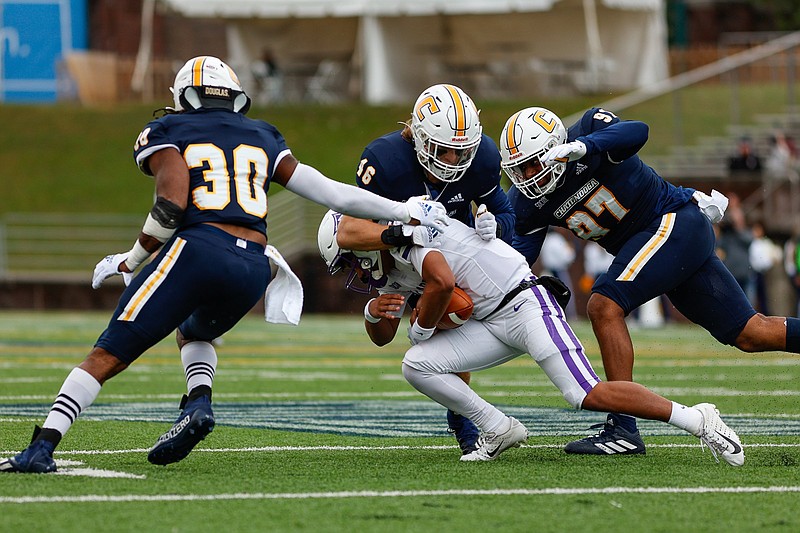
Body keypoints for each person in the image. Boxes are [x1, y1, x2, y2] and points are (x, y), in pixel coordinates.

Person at [0, 55, 449, 474]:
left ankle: (43, 446)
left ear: (185, 97)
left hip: (200, 248)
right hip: (254, 265)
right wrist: (403, 211)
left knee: (106, 354)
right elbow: (332, 192)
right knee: (195, 331)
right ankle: (197, 404)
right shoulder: (264, 135)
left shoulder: (169, 129)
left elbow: (170, 204)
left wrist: (130, 260)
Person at [320, 210, 744, 466]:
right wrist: (372, 313)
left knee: (584, 393)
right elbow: (382, 336)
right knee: (416, 364)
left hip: (525, 304)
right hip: (489, 320)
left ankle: (697, 418)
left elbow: (442, 281)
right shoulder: (385, 263)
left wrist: (421, 327)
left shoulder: (408, 230)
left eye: (348, 262)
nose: (354, 273)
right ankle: (498, 428)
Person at [500, 106, 800, 456]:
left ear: (556, 147)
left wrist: (587, 146)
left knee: (603, 305)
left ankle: (623, 426)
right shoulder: (527, 200)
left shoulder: (587, 133)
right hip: (665, 245)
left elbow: (637, 130)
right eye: (520, 168)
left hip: (672, 223)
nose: (529, 175)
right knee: (751, 333)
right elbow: (517, 256)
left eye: (535, 163)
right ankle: (623, 426)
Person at [346, 83, 516, 454]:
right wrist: (400, 232)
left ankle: (463, 419)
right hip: (399, 250)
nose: (453, 162)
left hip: (449, 254)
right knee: (384, 327)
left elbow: (506, 213)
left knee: (455, 316)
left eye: (462, 152)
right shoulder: (386, 159)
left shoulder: (484, 158)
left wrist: (495, 224)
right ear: (417, 136)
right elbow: (349, 228)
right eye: (443, 151)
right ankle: (469, 416)